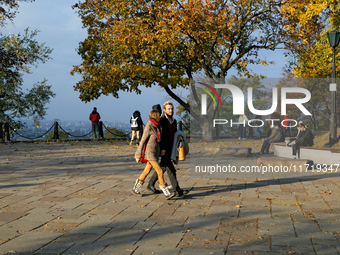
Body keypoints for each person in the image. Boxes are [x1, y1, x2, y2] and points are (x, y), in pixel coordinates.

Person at [147, 102, 189, 197]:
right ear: (164, 110)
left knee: (162, 167)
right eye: (169, 109)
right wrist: (161, 149)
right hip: (164, 149)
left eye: (172, 108)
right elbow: (159, 136)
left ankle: (150, 185)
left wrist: (178, 137)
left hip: (171, 148)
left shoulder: (174, 121)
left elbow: (174, 133)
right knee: (171, 169)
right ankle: (177, 190)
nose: (171, 110)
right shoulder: (161, 120)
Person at [132, 110, 175, 199]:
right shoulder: (149, 126)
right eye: (158, 115)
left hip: (155, 153)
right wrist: (138, 155)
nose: (160, 117)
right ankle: (165, 191)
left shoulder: (157, 126)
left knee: (146, 171)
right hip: (150, 153)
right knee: (159, 171)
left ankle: (135, 189)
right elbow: (142, 140)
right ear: (155, 116)